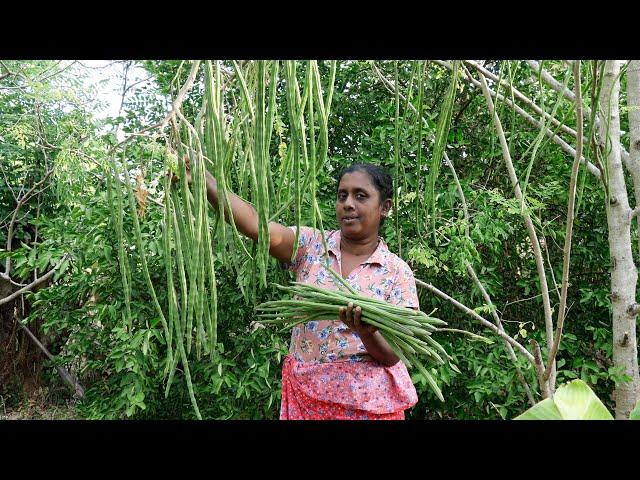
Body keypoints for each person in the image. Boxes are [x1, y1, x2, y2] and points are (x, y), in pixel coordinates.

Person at [181, 161, 419, 420]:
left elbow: (394, 355)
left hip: (369, 406)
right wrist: (205, 180)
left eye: (360, 196)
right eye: (342, 196)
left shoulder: (396, 272)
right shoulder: (311, 246)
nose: (348, 203)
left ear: (385, 207)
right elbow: (256, 226)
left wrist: (367, 333)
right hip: (307, 400)